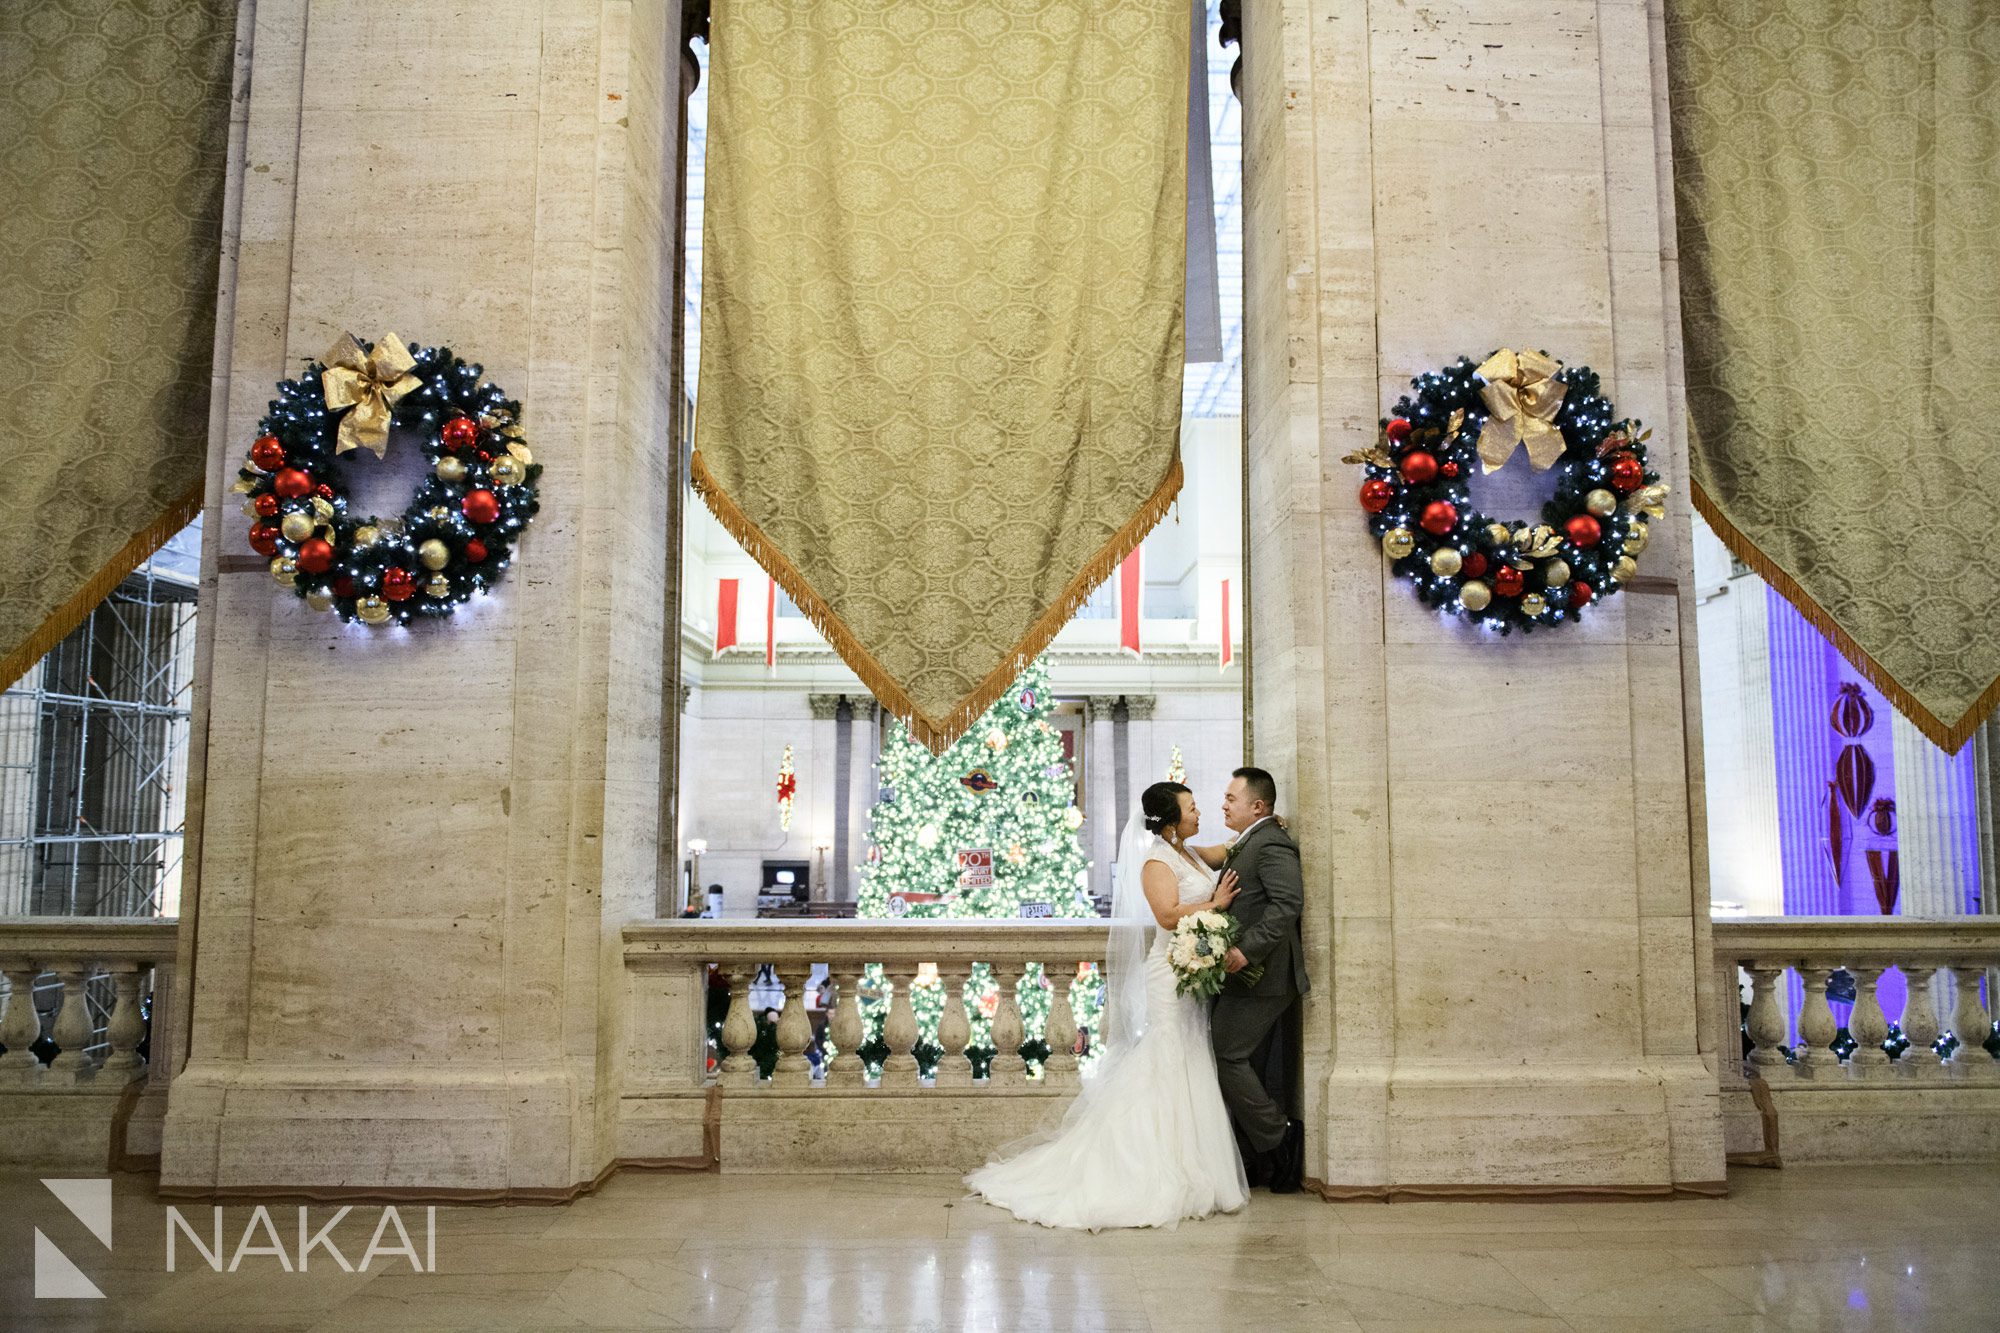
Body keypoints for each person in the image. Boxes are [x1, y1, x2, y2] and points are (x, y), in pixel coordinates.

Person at [964, 782, 1248, 1230]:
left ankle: (1195, 1163)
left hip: (1190, 971)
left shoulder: (1191, 852)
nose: (1200, 814)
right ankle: (1149, 1164)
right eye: (1192, 809)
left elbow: (1227, 848)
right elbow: (1167, 915)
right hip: (1168, 974)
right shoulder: (1157, 860)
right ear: (1172, 822)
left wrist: (1266, 823)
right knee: (1168, 1054)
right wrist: (1215, 902)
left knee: (1191, 1053)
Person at [1190, 766, 1309, 1193]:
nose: (1223, 804)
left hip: (1265, 976)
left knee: (1227, 1055)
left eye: (1230, 799)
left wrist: (1245, 950)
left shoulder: (1271, 843)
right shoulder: (1251, 839)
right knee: (1250, 1064)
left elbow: (1287, 904)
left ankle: (1281, 1137)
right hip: (1246, 978)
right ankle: (1257, 1162)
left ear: (1258, 806)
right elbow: (1218, 856)